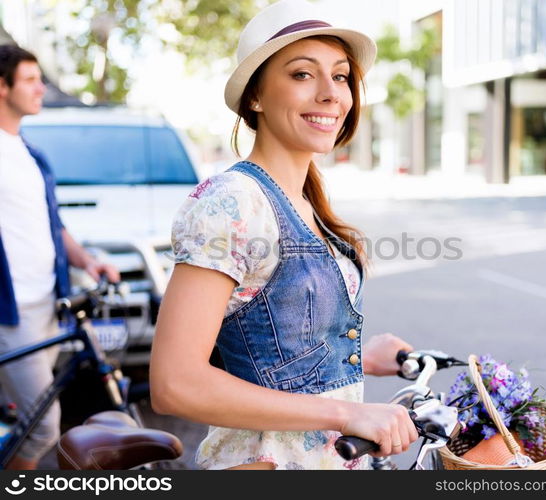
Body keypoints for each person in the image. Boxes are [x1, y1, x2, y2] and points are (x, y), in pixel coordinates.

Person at [150, 0, 418, 470]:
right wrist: (348, 411)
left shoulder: (306, 200)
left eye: (340, 76)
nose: (331, 93)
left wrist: (354, 357)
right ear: (254, 97)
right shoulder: (230, 202)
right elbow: (176, 383)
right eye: (301, 74)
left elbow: (270, 335)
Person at [0, 44, 119, 470]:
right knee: (43, 427)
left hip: (47, 305)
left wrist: (87, 262)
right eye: (31, 80)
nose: (41, 88)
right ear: (2, 86)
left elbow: (54, 225)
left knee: (16, 418)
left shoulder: (30, 154)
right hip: (10, 314)